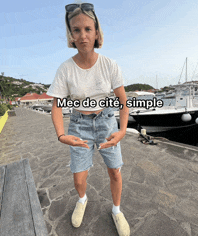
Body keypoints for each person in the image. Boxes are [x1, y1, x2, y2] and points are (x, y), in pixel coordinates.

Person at [46, 3, 130, 236]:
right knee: (79, 177)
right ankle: (82, 200)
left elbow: (123, 102)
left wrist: (122, 131)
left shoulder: (109, 65)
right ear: (70, 35)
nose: (82, 35)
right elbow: (57, 104)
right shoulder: (65, 69)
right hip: (79, 124)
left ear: (96, 32)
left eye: (87, 29)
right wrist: (61, 135)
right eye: (76, 30)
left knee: (114, 171)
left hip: (106, 122)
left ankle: (116, 210)